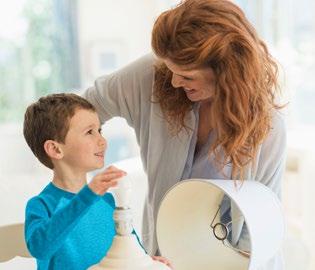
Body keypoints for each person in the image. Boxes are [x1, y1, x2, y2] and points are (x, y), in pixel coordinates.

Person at [83, 0, 286, 269]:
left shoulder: (267, 128)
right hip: (160, 260)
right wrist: (78, 177)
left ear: (228, 73)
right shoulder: (152, 76)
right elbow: (82, 110)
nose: (175, 82)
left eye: (188, 77)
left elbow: (261, 227)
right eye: (171, 71)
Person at [23, 93, 172, 269]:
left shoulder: (108, 201)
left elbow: (129, 251)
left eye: (99, 130)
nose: (102, 141)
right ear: (55, 149)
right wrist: (87, 196)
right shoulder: (42, 205)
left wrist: (147, 260)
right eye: (89, 132)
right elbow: (40, 248)